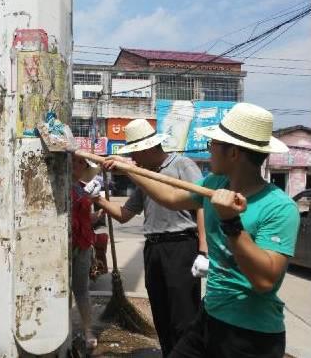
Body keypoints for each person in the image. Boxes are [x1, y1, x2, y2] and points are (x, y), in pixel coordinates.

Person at [103, 103, 300, 358]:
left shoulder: (279, 207)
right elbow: (172, 196)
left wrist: (231, 223)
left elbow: (264, 281)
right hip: (210, 317)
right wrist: (129, 169)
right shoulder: (214, 184)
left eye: (213, 145)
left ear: (234, 153)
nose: (209, 151)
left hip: (250, 333)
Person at [86, 119, 207, 357]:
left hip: (181, 246)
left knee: (183, 315)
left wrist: (203, 250)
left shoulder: (182, 165)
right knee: (161, 314)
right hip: (153, 249)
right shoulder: (144, 176)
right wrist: (97, 199)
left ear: (149, 148)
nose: (134, 159)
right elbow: (124, 214)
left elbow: (201, 203)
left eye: (135, 153)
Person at [71, 156, 102, 349]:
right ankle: (60, 329)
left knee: (82, 290)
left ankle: (88, 330)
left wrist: (97, 215)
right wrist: (86, 197)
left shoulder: (82, 187)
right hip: (63, 246)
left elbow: (84, 218)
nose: (76, 165)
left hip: (82, 245)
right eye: (73, 161)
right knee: (62, 291)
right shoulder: (59, 183)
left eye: (81, 162)